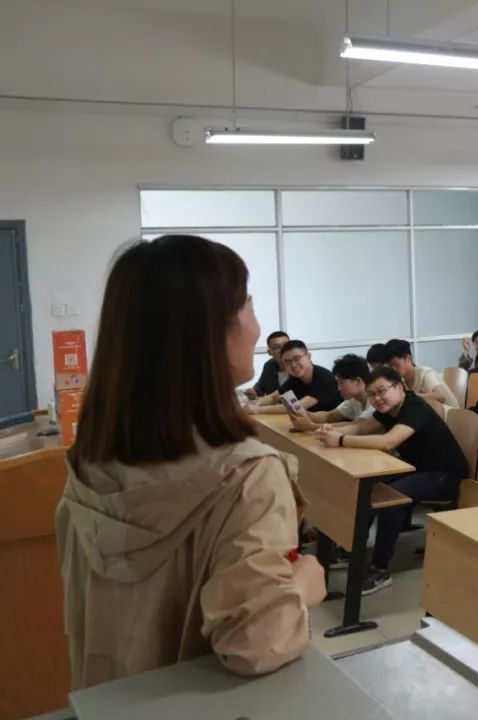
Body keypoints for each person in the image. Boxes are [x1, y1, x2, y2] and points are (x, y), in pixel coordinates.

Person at [57, 234, 323, 689]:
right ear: (210, 332)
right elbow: (257, 643)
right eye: (249, 305)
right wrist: (301, 586)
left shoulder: (88, 461)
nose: (257, 329)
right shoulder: (248, 474)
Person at [314, 367, 468, 594]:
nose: (377, 398)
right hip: (418, 469)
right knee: (366, 486)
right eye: (371, 394)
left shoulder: (415, 407)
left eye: (382, 391)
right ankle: (353, 548)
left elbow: (388, 442)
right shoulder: (389, 409)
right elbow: (363, 427)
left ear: (399, 387)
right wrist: (331, 431)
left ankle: (380, 568)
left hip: (445, 474)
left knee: (392, 500)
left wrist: (342, 439)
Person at [248, 340, 342, 414]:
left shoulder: (324, 377)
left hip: (336, 425)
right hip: (313, 423)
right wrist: (255, 404)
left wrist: (258, 410)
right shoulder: (296, 378)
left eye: (297, 358)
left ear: (308, 356)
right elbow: (273, 397)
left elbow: (298, 406)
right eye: (287, 361)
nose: (293, 365)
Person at [288, 354, 373, 431]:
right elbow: (329, 416)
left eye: (341, 382)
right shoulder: (354, 399)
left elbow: (355, 426)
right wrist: (306, 414)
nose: (339, 388)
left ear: (357, 381)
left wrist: (310, 426)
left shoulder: (374, 401)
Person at [383, 339, 459, 412]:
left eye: (396, 364)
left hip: (451, 416)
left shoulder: (425, 373)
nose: (393, 369)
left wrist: (411, 397)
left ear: (408, 358)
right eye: (390, 366)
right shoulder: (402, 380)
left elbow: (441, 396)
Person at [246, 330, 290, 399]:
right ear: (270, 352)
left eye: (286, 345)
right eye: (277, 347)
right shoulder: (269, 365)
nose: (283, 349)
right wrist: (254, 392)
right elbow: (260, 387)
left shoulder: (301, 365)